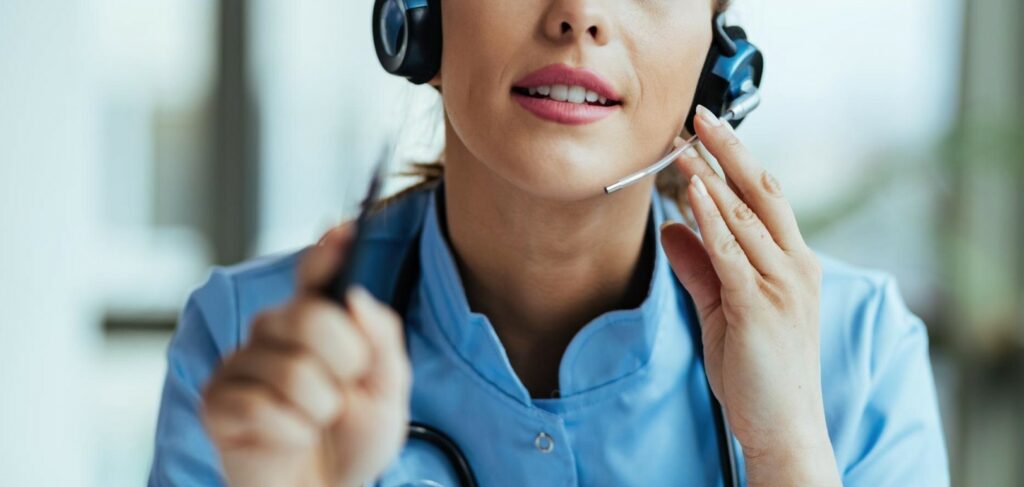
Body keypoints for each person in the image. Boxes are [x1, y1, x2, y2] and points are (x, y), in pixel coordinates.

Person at [149, 1, 949, 485]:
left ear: (719, 60)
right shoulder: (248, 343)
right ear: (421, 20)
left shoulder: (857, 355)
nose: (580, 14)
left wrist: (788, 455)